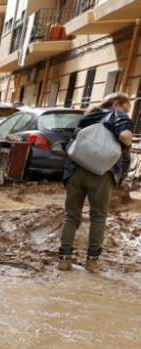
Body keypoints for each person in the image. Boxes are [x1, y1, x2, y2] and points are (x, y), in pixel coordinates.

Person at [58, 92, 133, 273]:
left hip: (76, 170)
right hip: (102, 173)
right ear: (116, 104)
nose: (126, 112)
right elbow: (125, 136)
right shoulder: (118, 116)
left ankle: (64, 260)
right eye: (126, 108)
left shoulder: (89, 116)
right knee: (98, 217)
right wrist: (127, 146)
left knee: (71, 215)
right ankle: (91, 262)